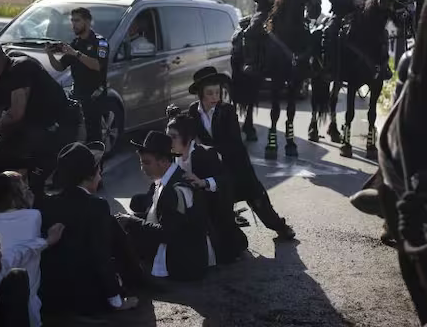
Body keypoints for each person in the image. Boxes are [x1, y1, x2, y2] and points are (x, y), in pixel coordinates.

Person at [186, 67, 296, 240]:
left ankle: (280, 227)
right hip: (213, 167)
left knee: (257, 199)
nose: (215, 97)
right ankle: (225, 238)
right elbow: (188, 132)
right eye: (210, 93)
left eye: (218, 92)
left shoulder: (227, 111)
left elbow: (235, 141)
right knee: (218, 202)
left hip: (236, 163)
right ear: (200, 94)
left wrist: (212, 150)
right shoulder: (193, 112)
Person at [0, 38, 79, 193]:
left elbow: (16, 113)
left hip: (57, 127)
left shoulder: (20, 68)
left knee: (33, 181)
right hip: (35, 125)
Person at [37, 142, 138, 315]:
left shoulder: (48, 204)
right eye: (98, 171)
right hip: (87, 296)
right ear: (90, 176)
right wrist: (115, 301)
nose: (100, 176)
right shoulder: (96, 206)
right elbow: (101, 256)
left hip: (54, 294)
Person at [119, 131, 212, 281]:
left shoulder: (176, 189)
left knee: (125, 237)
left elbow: (167, 233)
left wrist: (132, 222)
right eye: (141, 162)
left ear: (163, 161)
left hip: (185, 261)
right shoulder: (168, 178)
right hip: (182, 248)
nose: (142, 168)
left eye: (146, 163)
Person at [166, 109, 248, 264]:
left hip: (210, 213)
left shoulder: (205, 154)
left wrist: (204, 182)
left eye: (173, 137)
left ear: (188, 138)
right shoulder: (171, 157)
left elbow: (226, 181)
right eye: (167, 136)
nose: (169, 141)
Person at [0, 171, 43, 327]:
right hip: (28, 301)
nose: (28, 190)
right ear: (15, 197)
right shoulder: (34, 216)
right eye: (24, 188)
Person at [46, 7, 109, 144]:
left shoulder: (100, 42)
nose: (73, 24)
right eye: (72, 21)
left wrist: (75, 53)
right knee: (75, 135)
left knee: (94, 138)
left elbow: (97, 65)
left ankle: (96, 163)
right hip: (78, 95)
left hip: (94, 96)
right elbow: (59, 67)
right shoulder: (75, 43)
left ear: (87, 22)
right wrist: (50, 54)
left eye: (77, 20)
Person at [325, 0, 386, 78]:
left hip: (360, 16)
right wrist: (352, 1)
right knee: (329, 32)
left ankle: (381, 67)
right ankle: (330, 67)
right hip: (340, 15)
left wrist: (368, 2)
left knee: (381, 33)